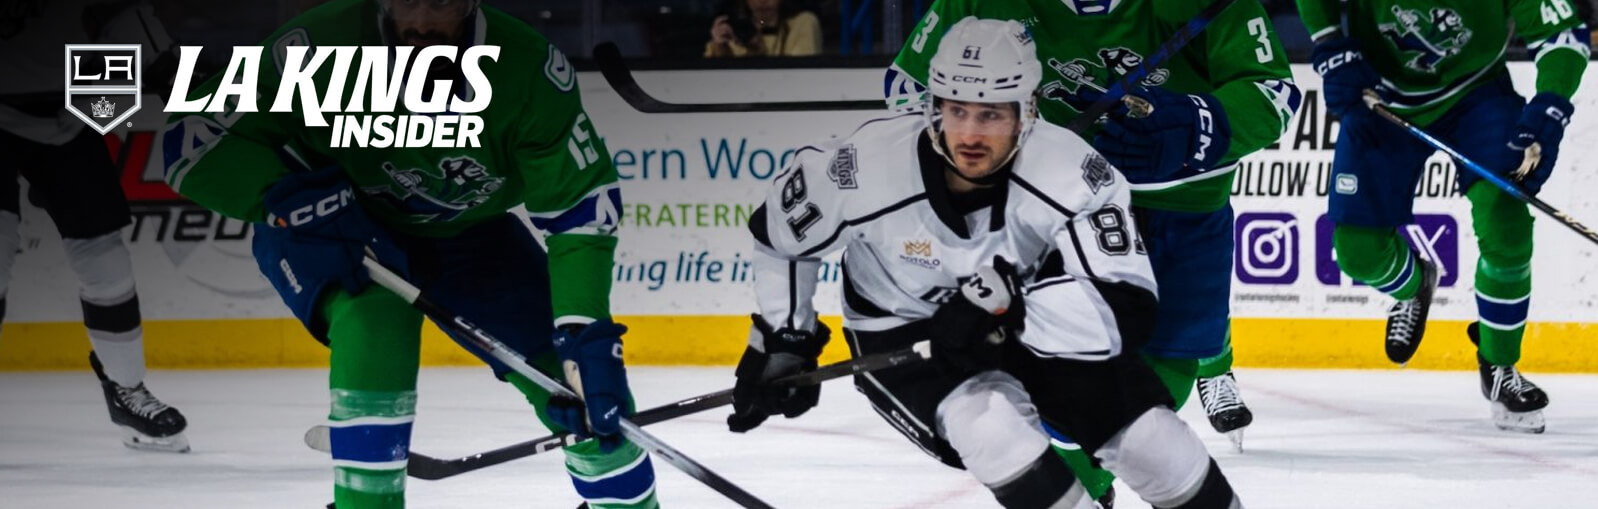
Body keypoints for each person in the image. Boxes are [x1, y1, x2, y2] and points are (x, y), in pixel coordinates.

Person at [730, 17, 1243, 509]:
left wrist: (1013, 309)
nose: (971, 135)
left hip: (1039, 329)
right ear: (932, 107)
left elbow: (1124, 307)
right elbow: (780, 238)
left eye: (992, 114)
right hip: (906, 337)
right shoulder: (860, 168)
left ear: (1027, 112)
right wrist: (785, 339)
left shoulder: (1075, 173)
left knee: (1157, 444)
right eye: (956, 111)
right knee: (993, 430)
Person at [161, 0, 659, 506]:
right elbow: (190, 139)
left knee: (580, 383)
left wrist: (583, 331)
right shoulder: (315, 45)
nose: (421, 22)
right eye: (406, 2)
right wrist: (286, 195)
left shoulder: (526, 69)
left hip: (471, 234)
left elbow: (579, 208)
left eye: (439, 4)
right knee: (376, 321)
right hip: (334, 230)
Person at [885, 0, 1300, 500]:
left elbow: (1273, 92)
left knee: (1160, 376)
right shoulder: (980, 3)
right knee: (1053, 369)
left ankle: (1198, 373)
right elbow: (908, 88)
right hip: (1058, 208)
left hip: (1180, 208)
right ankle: (1084, 467)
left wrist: (1197, 125)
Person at [1298, 0, 1588, 433]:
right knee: (1358, 253)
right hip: (1380, 94)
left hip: (1477, 93)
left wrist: (1550, 105)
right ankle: (1414, 285)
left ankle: (1499, 363)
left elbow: (1562, 33)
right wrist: (1329, 41)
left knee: (1505, 223)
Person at [0, 0, 188, 453]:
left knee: (104, 255)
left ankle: (126, 388)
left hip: (62, 115)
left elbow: (147, 61)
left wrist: (90, 114)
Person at [704, 0, 821, 58]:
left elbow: (798, 76)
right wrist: (721, 51)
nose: (763, 1)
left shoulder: (802, 23)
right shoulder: (731, 32)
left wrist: (759, 51)